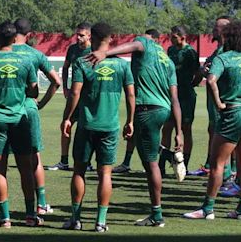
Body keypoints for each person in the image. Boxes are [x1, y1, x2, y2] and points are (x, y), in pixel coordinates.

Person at [85, 28, 183, 227]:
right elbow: (175, 98)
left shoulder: (144, 43)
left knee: (150, 165)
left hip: (146, 109)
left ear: (152, 39)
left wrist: (105, 53)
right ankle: (168, 155)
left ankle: (157, 215)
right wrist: (179, 132)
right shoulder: (167, 60)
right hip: (163, 110)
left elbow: (135, 45)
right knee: (147, 149)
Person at [0, 18, 61, 216]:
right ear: (27, 35)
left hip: (0, 112)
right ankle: (39, 204)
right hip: (26, 111)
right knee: (33, 159)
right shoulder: (33, 55)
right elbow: (55, 82)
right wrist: (39, 104)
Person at [62, 22, 135, 232]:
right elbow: (131, 94)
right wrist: (130, 121)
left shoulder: (82, 62)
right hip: (110, 127)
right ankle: (101, 222)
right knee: (105, 174)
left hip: (86, 125)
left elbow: (75, 93)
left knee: (79, 171)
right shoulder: (122, 65)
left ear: (91, 37)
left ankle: (76, 220)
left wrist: (67, 118)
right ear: (111, 38)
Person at [183, 20, 241, 220]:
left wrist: (218, 103)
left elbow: (210, 80)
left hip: (232, 112)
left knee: (217, 163)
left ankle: (208, 209)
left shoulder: (224, 58)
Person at [189, 16, 233, 178]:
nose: (214, 30)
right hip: (212, 100)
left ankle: (227, 174)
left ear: (226, 30)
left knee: (223, 134)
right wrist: (204, 70)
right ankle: (210, 166)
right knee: (212, 130)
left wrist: (210, 73)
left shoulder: (228, 50)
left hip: (222, 99)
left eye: (217, 27)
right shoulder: (218, 49)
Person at [113, 28, 161, 174]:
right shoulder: (150, 55)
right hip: (146, 99)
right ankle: (128, 163)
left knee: (145, 133)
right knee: (135, 131)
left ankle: (158, 163)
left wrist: (106, 52)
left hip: (150, 101)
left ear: (155, 40)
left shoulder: (155, 53)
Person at [49, 22, 91, 171]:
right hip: (74, 96)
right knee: (65, 126)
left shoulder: (94, 51)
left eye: (81, 35)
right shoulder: (72, 49)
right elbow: (66, 67)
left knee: (87, 129)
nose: (78, 37)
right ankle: (64, 161)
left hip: (89, 98)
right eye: (77, 34)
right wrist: (66, 87)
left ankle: (87, 162)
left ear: (89, 36)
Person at [159, 26, 199, 175]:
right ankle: (162, 164)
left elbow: (198, 73)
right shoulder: (170, 51)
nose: (171, 39)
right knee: (167, 128)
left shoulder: (190, 53)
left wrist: (190, 85)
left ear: (183, 37)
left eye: (174, 37)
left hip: (186, 97)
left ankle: (184, 165)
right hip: (172, 95)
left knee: (185, 129)